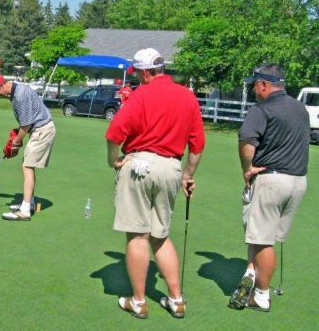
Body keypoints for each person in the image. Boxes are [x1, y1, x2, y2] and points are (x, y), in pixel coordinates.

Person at [105, 48, 205, 319]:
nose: (136, 78)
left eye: (137, 73)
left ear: (147, 72)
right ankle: (176, 299)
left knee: (138, 235)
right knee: (160, 236)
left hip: (139, 165)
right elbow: (197, 145)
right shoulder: (187, 95)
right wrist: (187, 175)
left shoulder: (141, 95)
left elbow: (114, 133)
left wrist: (114, 160)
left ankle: (138, 301)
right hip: (171, 167)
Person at [228, 64, 309, 312]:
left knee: (263, 241)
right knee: (266, 234)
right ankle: (251, 269)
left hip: (272, 179)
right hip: (297, 182)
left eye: (255, 84)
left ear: (264, 84)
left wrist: (248, 168)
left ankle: (261, 295)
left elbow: (246, 142)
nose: (253, 89)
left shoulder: (261, 109)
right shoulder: (300, 108)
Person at [0, 74, 56, 221]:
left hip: (42, 130)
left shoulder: (19, 96)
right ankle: (29, 203)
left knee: (27, 167)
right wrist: (17, 136)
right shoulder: (16, 90)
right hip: (39, 129)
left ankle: (25, 210)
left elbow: (26, 125)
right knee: (27, 165)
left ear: (2, 86)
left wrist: (15, 142)